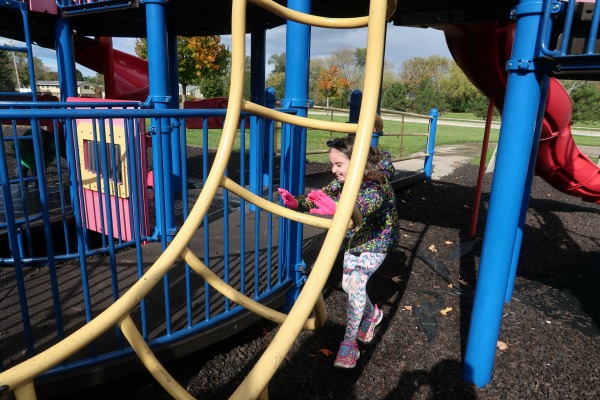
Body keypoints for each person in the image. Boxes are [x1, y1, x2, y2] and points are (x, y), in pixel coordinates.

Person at [278, 136, 400, 369]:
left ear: (358, 163)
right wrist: (298, 203)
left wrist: (337, 209)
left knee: (354, 284)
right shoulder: (344, 181)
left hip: (378, 240)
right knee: (348, 285)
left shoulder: (377, 183)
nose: (333, 170)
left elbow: (366, 205)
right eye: (332, 164)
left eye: (338, 164)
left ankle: (349, 343)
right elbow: (321, 196)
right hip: (355, 240)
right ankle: (372, 314)